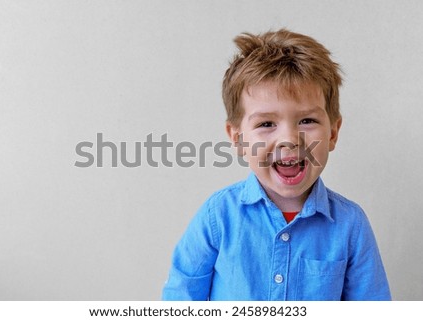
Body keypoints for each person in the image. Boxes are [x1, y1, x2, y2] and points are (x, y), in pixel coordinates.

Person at [162, 29, 391, 300]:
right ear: (238, 139)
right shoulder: (218, 217)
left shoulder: (351, 225)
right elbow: (179, 301)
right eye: (266, 124)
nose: (289, 140)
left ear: (333, 133)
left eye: (307, 121)